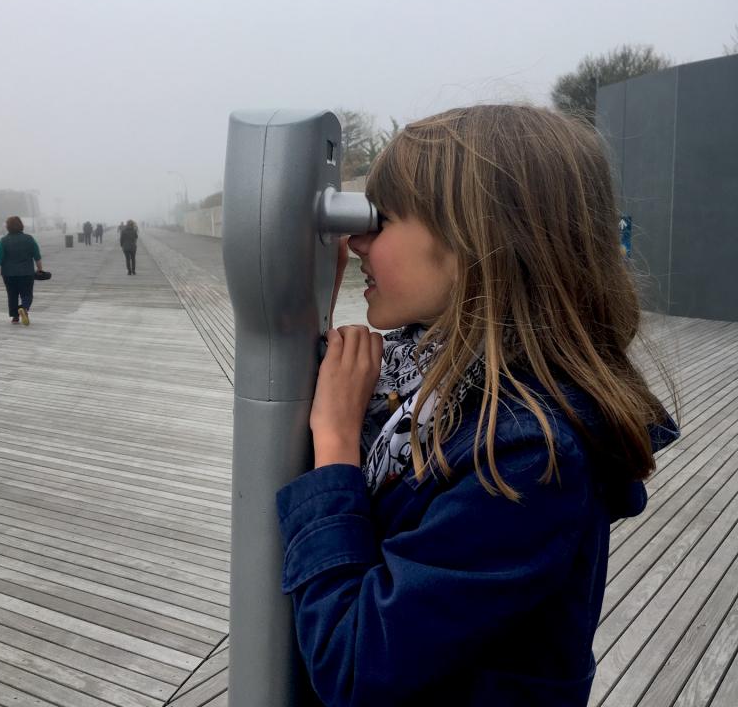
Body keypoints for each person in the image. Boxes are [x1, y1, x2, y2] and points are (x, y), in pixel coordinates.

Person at [275, 105, 680, 706]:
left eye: (379, 221)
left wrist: (335, 448)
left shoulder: (528, 459)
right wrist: (309, 301)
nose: (355, 240)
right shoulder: (431, 380)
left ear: (471, 242)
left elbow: (355, 661)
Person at [0, 215, 44, 325]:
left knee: (12, 295)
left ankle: (15, 317)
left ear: (7, 227)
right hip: (26, 273)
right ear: (21, 226)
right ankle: (23, 308)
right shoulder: (29, 239)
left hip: (8, 274)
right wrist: (40, 269)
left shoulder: (3, 241)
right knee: (27, 294)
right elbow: (37, 256)